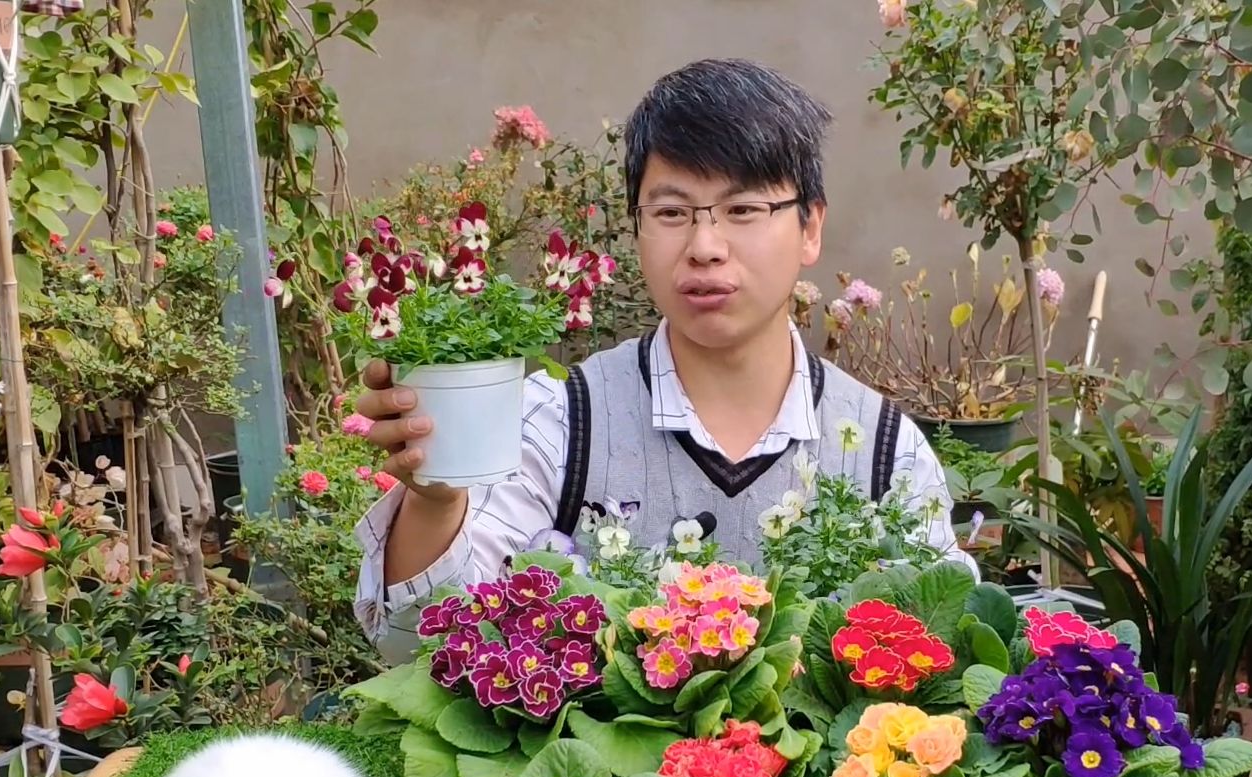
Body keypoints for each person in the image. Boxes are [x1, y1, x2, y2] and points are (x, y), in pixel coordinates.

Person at [352, 57, 977, 661]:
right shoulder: (560, 422)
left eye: (743, 210)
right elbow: (418, 647)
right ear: (638, 227)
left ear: (810, 226)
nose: (705, 247)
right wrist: (436, 502)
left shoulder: (886, 450)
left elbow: (938, 648)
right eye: (673, 213)